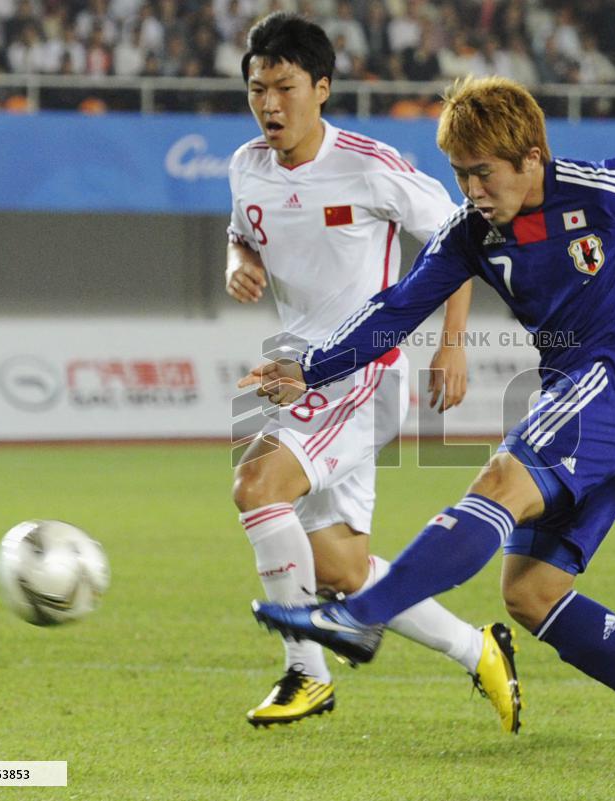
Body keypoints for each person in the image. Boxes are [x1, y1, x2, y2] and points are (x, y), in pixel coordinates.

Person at [244, 75, 615, 781]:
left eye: (483, 172)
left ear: (531, 159)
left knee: (500, 478)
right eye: (461, 173)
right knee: (531, 591)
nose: (473, 188)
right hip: (576, 390)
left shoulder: (603, 187)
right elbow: (394, 309)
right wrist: (312, 368)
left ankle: (362, 615)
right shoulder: (471, 231)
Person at [229, 13, 522, 732]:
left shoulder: (369, 165)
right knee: (340, 568)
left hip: (361, 371)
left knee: (255, 485)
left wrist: (453, 343)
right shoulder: (246, 166)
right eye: (258, 88)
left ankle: (307, 672)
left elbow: (461, 239)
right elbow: (243, 231)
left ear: (321, 88)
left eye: (286, 87)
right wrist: (239, 264)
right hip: (297, 374)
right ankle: (477, 647)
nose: (270, 102)